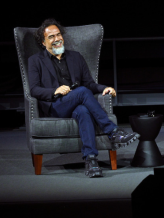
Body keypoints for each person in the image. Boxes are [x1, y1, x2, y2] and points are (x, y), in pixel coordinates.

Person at [28, 18, 138, 178]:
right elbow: (34, 89)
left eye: (58, 35)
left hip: (76, 103)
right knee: (81, 91)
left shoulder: (75, 57)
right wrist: (55, 91)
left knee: (83, 111)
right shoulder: (35, 61)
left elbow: (89, 84)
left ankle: (91, 160)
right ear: (43, 43)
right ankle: (112, 131)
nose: (57, 39)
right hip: (55, 105)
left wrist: (104, 88)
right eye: (51, 37)